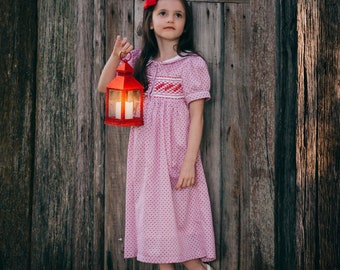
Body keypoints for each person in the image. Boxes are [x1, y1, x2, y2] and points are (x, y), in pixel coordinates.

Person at [98, 0, 216, 269]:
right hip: (146, 160)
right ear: (151, 21)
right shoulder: (140, 62)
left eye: (178, 14)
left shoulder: (191, 65)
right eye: (163, 13)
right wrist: (116, 56)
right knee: (160, 246)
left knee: (186, 246)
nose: (170, 19)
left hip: (177, 158)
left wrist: (189, 162)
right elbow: (104, 87)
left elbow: (197, 116)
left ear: (185, 24)